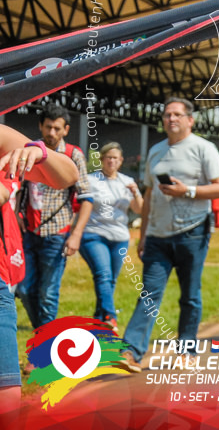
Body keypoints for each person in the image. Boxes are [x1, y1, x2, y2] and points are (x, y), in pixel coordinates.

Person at [120, 97, 219, 372]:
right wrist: (143, 235)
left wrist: (187, 191)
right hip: (157, 236)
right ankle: (132, 352)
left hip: (192, 232)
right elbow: (148, 193)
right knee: (149, 294)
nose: (171, 119)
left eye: (177, 115)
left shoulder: (203, 149)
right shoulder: (156, 151)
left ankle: (187, 350)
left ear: (189, 120)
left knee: (189, 295)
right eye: (167, 114)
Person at [0, 125, 78, 412]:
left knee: (6, 396)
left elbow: (69, 176)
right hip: (27, 241)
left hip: (45, 238)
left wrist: (41, 152)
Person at [15, 103, 94, 331]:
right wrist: (17, 213)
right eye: (48, 127)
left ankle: (44, 347)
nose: (51, 133)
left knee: (48, 293)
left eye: (57, 129)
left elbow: (87, 197)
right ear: (40, 126)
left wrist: (76, 234)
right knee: (25, 288)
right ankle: (44, 337)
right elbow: (19, 187)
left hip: (56, 234)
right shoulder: (29, 150)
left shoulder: (73, 155)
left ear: (66, 130)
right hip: (29, 232)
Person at [81, 142, 144, 332]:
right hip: (94, 234)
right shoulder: (91, 180)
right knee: (103, 274)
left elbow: (139, 209)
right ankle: (110, 316)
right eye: (108, 157)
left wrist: (135, 192)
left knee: (111, 280)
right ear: (102, 160)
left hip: (120, 237)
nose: (111, 161)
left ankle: (99, 319)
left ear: (121, 161)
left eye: (115, 158)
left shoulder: (127, 181)